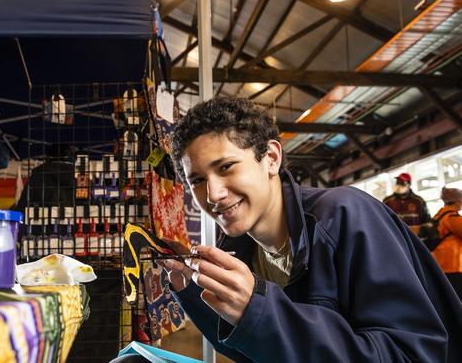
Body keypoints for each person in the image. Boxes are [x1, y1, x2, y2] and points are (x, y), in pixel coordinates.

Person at [158, 97, 462, 362]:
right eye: (197, 180)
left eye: (226, 167)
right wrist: (195, 294)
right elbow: (261, 351)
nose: (213, 194)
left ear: (272, 159)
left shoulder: (345, 216)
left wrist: (261, 312)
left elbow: (410, 354)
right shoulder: (236, 250)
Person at [12, 143, 76, 212]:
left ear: (48, 157)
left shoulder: (37, 177)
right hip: (75, 221)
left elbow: (22, 208)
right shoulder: (80, 178)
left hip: (40, 221)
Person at [432, 187, 462, 300]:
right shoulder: (452, 217)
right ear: (458, 201)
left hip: (441, 265)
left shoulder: (439, 215)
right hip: (453, 266)